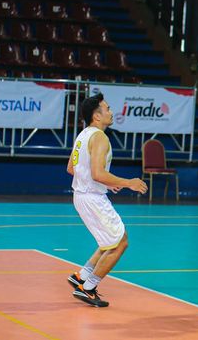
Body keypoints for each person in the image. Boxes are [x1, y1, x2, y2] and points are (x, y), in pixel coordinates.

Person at [66, 92, 148, 307]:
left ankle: (81, 277)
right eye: (108, 108)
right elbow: (97, 173)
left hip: (81, 195)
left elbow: (71, 168)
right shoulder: (100, 137)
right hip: (92, 198)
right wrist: (128, 182)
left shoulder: (83, 135)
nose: (111, 112)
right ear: (97, 116)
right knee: (120, 243)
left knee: (107, 241)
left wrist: (107, 183)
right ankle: (88, 288)